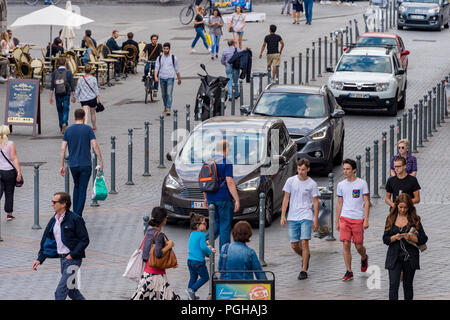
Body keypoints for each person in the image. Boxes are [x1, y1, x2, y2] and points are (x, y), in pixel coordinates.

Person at [32, 192, 90, 300]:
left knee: (60, 292)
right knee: (72, 292)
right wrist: (40, 259)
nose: (52, 204)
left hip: (72, 260)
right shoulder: (54, 220)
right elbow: (46, 240)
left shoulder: (75, 219)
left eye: (54, 202)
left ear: (63, 204)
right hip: (63, 260)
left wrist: (72, 255)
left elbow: (84, 240)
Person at [383, 193, 428, 300]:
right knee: (393, 285)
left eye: (405, 207)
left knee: (407, 285)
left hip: (410, 257)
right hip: (394, 257)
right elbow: (385, 238)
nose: (403, 210)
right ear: (396, 206)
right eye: (400, 207)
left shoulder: (415, 219)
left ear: (409, 207)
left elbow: (423, 238)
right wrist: (394, 237)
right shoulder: (390, 219)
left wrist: (409, 237)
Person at [60, 109, 104, 217]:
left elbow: (63, 149)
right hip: (86, 164)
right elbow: (95, 145)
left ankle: (75, 213)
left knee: (77, 187)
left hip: (73, 165)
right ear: (84, 117)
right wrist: (101, 161)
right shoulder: (88, 129)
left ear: (74, 117)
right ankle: (78, 215)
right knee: (83, 189)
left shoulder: (68, 130)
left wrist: (62, 166)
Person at [280, 158, 319, 280]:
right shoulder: (291, 181)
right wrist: (283, 215)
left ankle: (303, 270)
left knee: (304, 242)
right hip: (293, 216)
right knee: (294, 245)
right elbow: (286, 198)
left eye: (303, 169)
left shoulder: (312, 184)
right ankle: (305, 256)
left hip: (306, 215)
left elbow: (315, 202)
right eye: (298, 169)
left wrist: (316, 220)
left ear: (308, 169)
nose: (300, 172)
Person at [131, 207, 180, 300]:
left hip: (147, 274)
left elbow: (145, 255)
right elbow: (158, 254)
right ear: (163, 219)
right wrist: (169, 245)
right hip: (157, 276)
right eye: (166, 217)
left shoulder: (148, 232)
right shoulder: (159, 235)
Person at [335, 158, 370, 281]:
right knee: (345, 244)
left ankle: (364, 257)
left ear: (354, 170)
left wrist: (366, 219)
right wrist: (337, 220)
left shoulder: (362, 184)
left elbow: (366, 202)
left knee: (359, 246)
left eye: (348, 169)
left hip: (358, 219)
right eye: (344, 169)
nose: (345, 171)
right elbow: (339, 203)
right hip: (345, 218)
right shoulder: (340, 185)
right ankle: (349, 271)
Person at [203, 140, 240, 251]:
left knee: (215, 223)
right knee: (225, 225)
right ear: (226, 149)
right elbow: (229, 182)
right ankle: (224, 253)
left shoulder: (208, 162)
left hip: (211, 198)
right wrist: (236, 199)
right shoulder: (226, 162)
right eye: (229, 149)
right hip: (223, 198)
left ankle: (203, 242)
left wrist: (205, 198)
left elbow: (204, 181)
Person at [186, 213, 215, 300]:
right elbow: (203, 247)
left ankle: (190, 295)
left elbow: (196, 246)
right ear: (198, 225)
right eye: (204, 223)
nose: (206, 224)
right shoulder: (201, 235)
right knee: (205, 277)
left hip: (190, 260)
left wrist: (206, 246)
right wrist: (210, 250)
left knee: (193, 277)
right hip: (198, 261)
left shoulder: (192, 234)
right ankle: (192, 290)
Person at [0, 125, 22, 221]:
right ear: (8, 133)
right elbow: (14, 159)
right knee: (9, 193)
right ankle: (9, 214)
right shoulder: (10, 144)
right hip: (9, 172)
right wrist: (19, 172)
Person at [154, 42, 181, 116]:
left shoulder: (173, 58)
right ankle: (165, 106)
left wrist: (179, 79)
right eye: (164, 49)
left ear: (169, 49)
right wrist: (155, 76)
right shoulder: (159, 58)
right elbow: (156, 68)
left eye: (167, 49)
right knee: (163, 94)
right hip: (162, 77)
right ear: (163, 49)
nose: (166, 50)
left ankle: (168, 108)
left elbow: (177, 69)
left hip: (170, 78)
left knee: (169, 93)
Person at [50, 57, 75, 134]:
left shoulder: (54, 72)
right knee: (66, 109)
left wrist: (50, 97)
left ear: (58, 64)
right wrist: (73, 96)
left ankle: (61, 127)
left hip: (57, 93)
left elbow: (52, 86)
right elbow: (72, 85)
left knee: (59, 111)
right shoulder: (68, 72)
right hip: (66, 93)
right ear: (65, 63)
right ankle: (65, 123)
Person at [73, 64, 102, 130]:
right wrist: (99, 99)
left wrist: (75, 97)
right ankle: (94, 126)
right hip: (92, 98)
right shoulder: (93, 79)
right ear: (91, 71)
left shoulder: (81, 79)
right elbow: (96, 90)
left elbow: (78, 89)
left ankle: (85, 126)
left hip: (84, 98)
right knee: (93, 113)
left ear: (84, 70)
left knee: (85, 113)